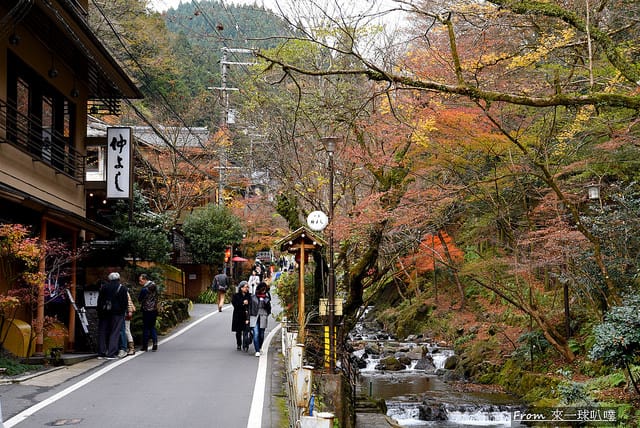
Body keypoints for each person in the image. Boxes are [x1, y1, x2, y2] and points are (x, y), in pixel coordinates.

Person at [97, 272, 128, 359]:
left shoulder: (104, 287)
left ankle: (101, 352)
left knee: (102, 332)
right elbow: (124, 303)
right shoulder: (122, 288)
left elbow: (100, 301)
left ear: (109, 279)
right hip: (117, 314)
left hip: (104, 313)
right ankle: (111, 353)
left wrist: (99, 312)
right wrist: (122, 312)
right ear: (119, 279)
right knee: (115, 332)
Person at [138, 273, 159, 352]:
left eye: (141, 280)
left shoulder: (144, 289)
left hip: (146, 310)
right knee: (152, 327)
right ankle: (155, 343)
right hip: (154, 309)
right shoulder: (154, 286)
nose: (140, 282)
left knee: (146, 328)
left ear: (145, 279)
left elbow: (139, 299)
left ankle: (145, 346)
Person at [249, 281, 271, 357]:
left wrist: (265, 303)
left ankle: (260, 346)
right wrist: (248, 317)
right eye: (262, 289)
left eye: (265, 290)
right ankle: (257, 350)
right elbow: (250, 308)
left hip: (263, 315)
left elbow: (269, 309)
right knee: (256, 333)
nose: (264, 291)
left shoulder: (267, 298)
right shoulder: (253, 297)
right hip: (254, 315)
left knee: (261, 334)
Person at [231, 281, 252, 351]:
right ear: (241, 288)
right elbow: (235, 305)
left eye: (247, 287)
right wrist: (242, 303)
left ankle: (245, 344)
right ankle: (239, 344)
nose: (247, 288)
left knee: (246, 330)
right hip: (238, 315)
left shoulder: (249, 296)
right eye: (246, 287)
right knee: (238, 331)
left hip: (246, 315)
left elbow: (251, 305)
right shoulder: (236, 296)